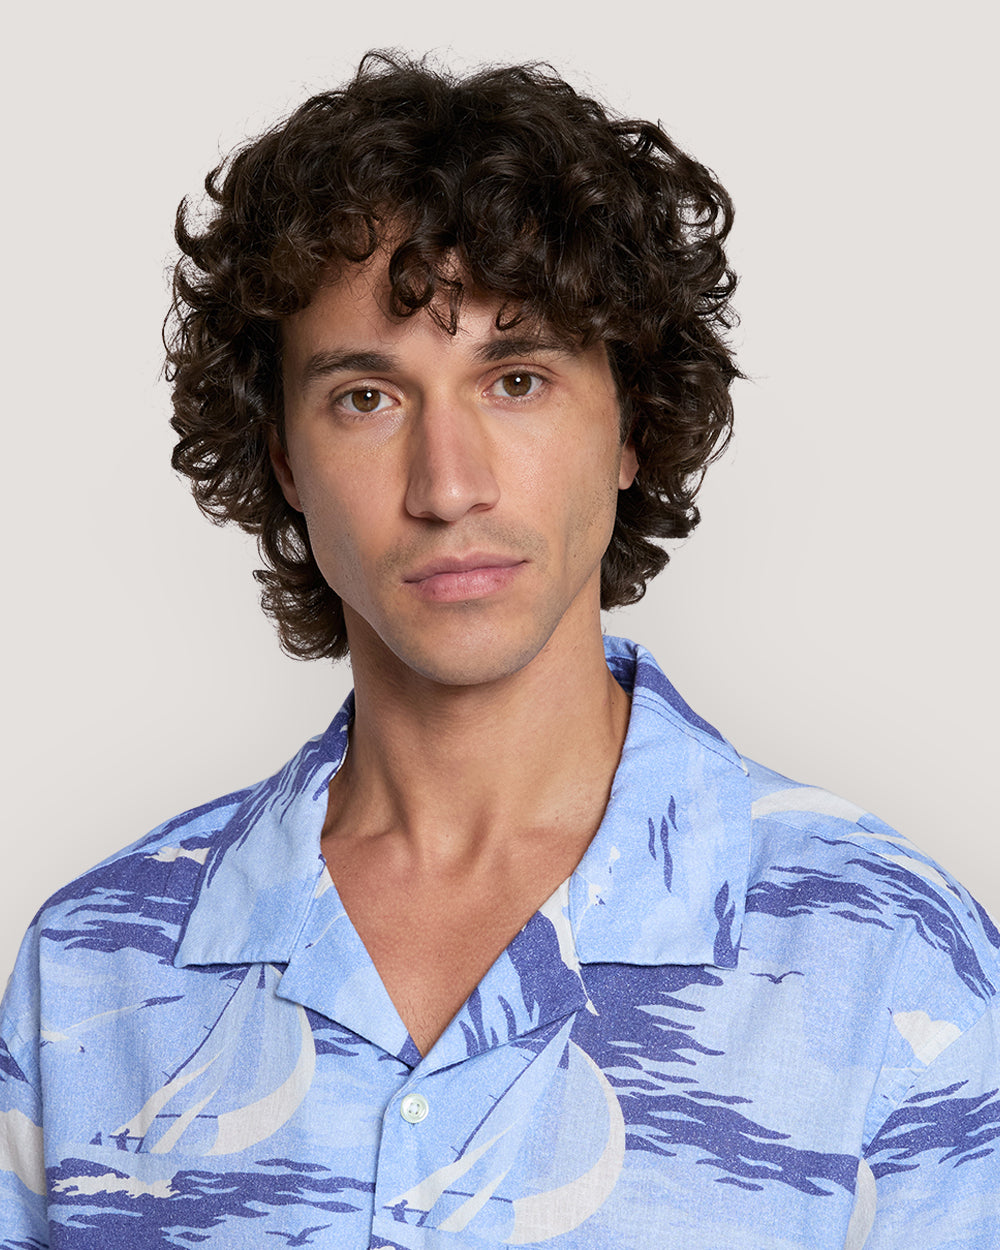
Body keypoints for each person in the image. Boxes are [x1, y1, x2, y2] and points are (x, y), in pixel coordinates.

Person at [1, 51, 996, 1250]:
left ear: (629, 425)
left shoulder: (886, 956)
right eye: (366, 397)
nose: (447, 485)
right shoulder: (93, 968)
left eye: (515, 380)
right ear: (282, 459)